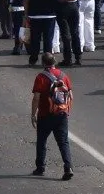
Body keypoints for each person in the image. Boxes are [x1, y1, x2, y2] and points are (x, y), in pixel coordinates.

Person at [28, 53, 74, 181]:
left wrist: (33, 115)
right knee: (63, 142)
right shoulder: (63, 76)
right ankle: (68, 167)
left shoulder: (41, 77)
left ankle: (40, 167)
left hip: (45, 114)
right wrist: (66, 110)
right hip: (61, 114)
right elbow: (70, 95)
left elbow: (36, 98)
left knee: (42, 141)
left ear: (43, 63)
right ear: (55, 62)